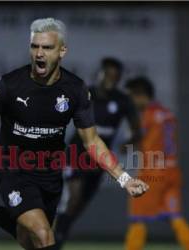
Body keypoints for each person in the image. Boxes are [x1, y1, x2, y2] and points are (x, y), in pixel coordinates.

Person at [0, 18, 148, 250]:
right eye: (35, 46)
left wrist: (125, 179)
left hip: (50, 175)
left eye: (47, 48)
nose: (39, 53)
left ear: (62, 51)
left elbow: (92, 142)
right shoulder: (9, 85)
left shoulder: (75, 89)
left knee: (29, 242)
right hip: (13, 170)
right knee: (44, 235)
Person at [54, 57, 141, 249]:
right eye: (108, 74)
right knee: (73, 197)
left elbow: (136, 129)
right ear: (100, 73)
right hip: (77, 153)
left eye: (115, 76)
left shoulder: (122, 100)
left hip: (100, 158)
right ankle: (55, 238)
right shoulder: (85, 94)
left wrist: (130, 142)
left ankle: (59, 233)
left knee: (79, 205)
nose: (111, 79)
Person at [124, 77, 189, 250]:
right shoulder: (168, 114)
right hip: (172, 171)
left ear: (141, 95)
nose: (131, 102)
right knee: (175, 217)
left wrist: (124, 144)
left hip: (152, 173)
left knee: (138, 218)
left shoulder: (148, 115)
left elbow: (136, 138)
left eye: (131, 97)